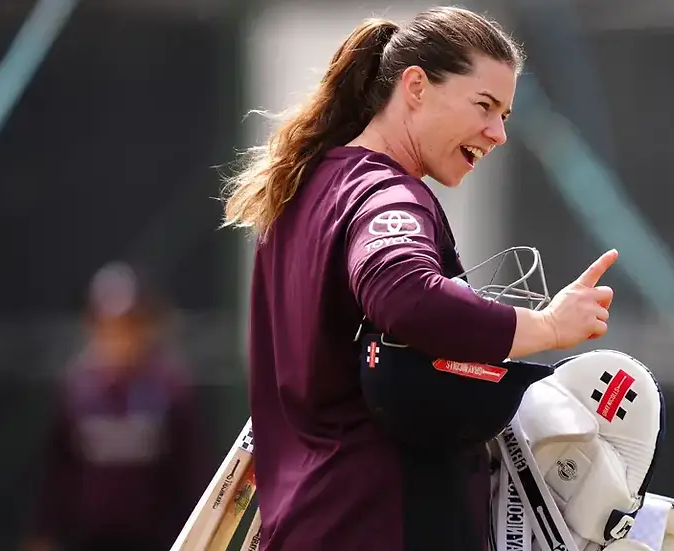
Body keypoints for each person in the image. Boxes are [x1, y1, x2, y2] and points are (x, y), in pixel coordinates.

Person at [220, 6, 618, 551]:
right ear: (415, 87)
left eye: (504, 114)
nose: (498, 133)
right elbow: (408, 299)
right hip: (379, 520)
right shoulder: (386, 194)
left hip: (305, 522)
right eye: (484, 106)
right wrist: (547, 327)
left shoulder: (304, 191)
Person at [21, 262, 206, 551]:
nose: (119, 337)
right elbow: (57, 474)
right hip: (88, 540)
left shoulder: (169, 391)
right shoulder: (77, 392)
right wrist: (43, 533)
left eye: (128, 326)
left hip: (154, 540)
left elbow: (189, 473)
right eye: (108, 326)